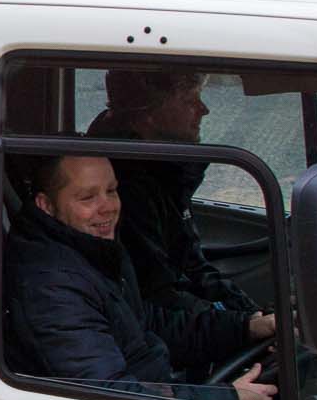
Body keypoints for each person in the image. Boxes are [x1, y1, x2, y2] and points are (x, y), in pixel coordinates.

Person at [6, 156, 277, 400]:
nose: (108, 206)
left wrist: (246, 328)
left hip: (154, 395)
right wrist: (229, 399)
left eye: (111, 191)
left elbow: (147, 325)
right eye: (87, 197)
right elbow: (110, 396)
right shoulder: (52, 288)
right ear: (46, 206)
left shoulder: (92, 251)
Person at [83, 71, 258, 318]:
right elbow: (159, 292)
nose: (204, 109)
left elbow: (191, 264)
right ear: (150, 114)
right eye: (189, 100)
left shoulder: (167, 174)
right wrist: (239, 325)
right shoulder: (125, 191)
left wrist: (250, 312)